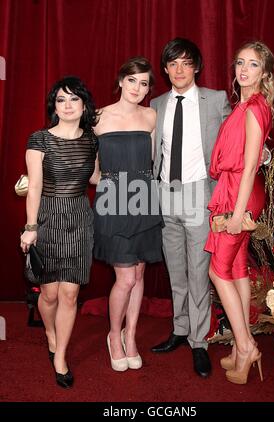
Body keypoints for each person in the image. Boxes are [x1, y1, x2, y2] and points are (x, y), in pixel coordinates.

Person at [150, 38, 232, 377]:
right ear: (166, 69)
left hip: (200, 193)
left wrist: (263, 156)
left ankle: (200, 341)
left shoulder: (215, 100)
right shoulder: (154, 104)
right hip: (165, 193)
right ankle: (180, 330)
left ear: (196, 66)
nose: (179, 69)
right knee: (176, 270)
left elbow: (236, 141)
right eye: (173, 63)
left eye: (186, 62)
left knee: (199, 272)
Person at [205, 41, 274, 384]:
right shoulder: (247, 105)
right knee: (235, 268)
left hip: (240, 193)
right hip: (240, 191)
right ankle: (238, 345)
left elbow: (249, 167)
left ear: (264, 73)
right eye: (240, 63)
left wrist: (235, 214)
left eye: (253, 64)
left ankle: (247, 347)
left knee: (218, 272)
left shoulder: (253, 108)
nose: (244, 70)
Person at [20, 76, 98, 388]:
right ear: (55, 105)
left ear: (83, 106)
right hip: (48, 219)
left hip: (79, 217)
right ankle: (50, 332)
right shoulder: (39, 139)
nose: (67, 105)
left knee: (70, 293)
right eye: (61, 100)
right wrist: (30, 228)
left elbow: (94, 177)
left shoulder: (92, 140)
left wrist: (132, 174)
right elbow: (34, 187)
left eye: (73, 99)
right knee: (49, 293)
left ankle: (60, 355)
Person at [91, 57, 163, 372]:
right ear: (121, 81)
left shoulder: (151, 116)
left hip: (146, 201)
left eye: (144, 82)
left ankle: (130, 335)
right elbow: (91, 173)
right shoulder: (96, 118)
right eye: (132, 80)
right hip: (114, 203)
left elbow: (157, 161)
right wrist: (114, 186)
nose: (137, 88)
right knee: (126, 277)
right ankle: (113, 336)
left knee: (140, 275)